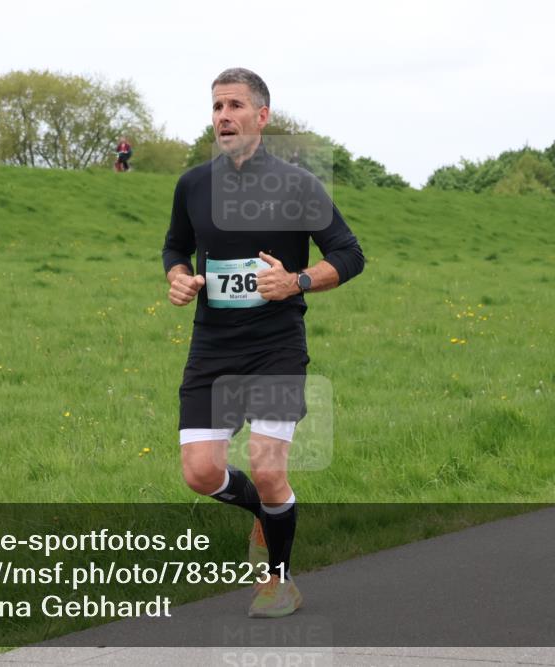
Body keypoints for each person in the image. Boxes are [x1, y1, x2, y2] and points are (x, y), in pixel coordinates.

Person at [162, 67, 365, 618]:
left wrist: (297, 281)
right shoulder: (193, 185)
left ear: (262, 116)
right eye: (216, 107)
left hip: (275, 344)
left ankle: (278, 581)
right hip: (213, 345)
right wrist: (178, 276)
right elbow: (175, 248)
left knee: (268, 465)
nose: (223, 117)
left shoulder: (298, 185)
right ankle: (266, 513)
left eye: (233, 106)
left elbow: (349, 255)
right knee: (200, 473)